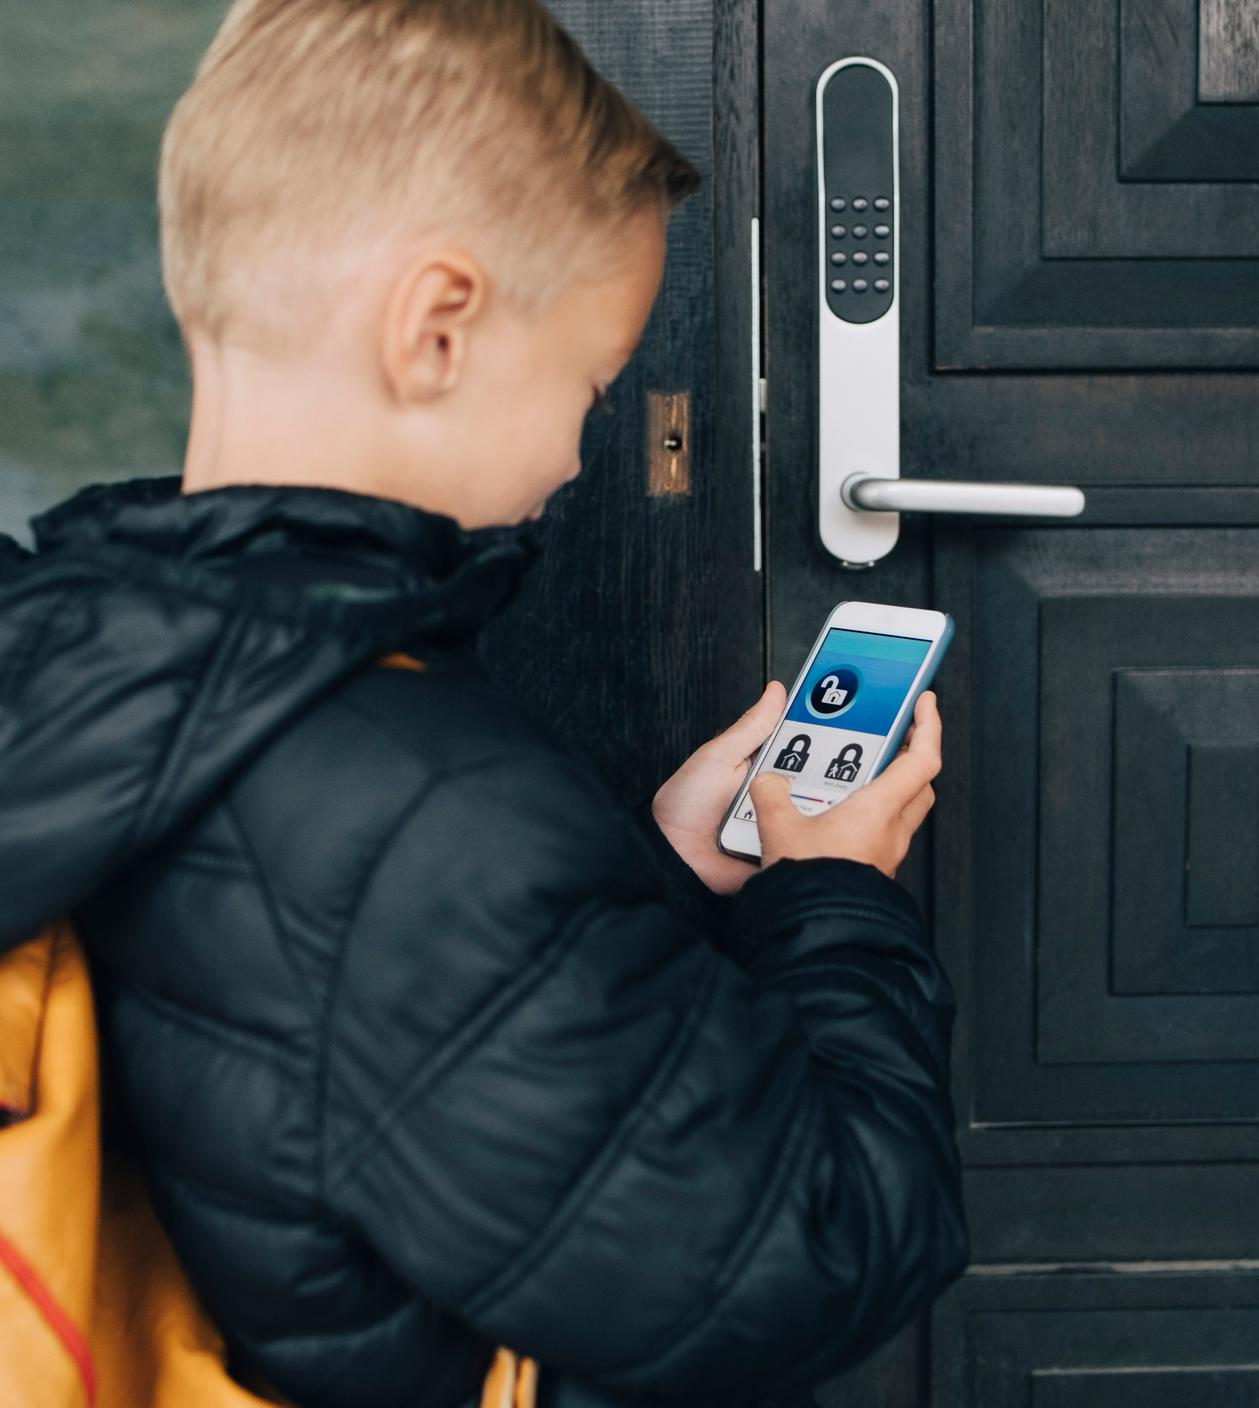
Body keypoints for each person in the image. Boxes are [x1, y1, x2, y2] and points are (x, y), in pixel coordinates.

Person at [0, 1, 968, 1405]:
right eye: (586, 381)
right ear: (437, 326)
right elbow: (828, 1246)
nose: (582, 452)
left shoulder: (101, 649)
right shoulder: (418, 801)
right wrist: (832, 898)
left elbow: (364, 1017)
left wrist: (649, 869)